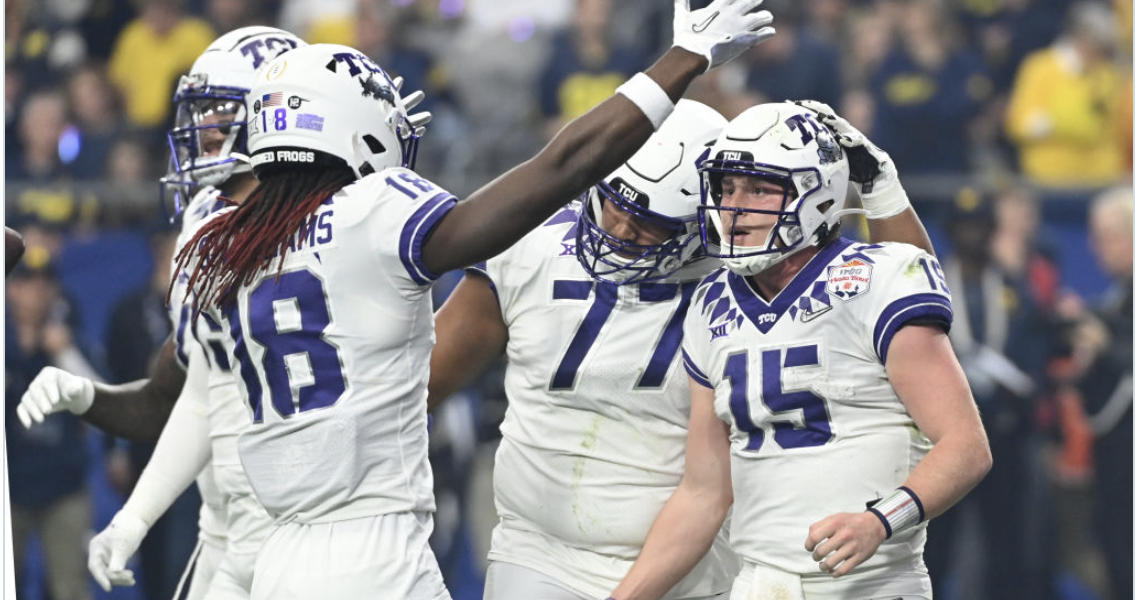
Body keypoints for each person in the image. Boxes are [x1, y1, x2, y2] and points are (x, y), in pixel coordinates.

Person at [167, 4, 776, 597]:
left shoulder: (220, 241)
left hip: (277, 549)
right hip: (372, 555)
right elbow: (559, 168)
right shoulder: (372, 218)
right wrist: (684, 58)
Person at [426, 92, 937, 599]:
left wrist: (881, 191)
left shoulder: (745, 271)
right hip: (539, 551)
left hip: (702, 562)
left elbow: (904, 296)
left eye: (649, 224)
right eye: (613, 205)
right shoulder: (531, 244)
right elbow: (423, 382)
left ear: (704, 222)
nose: (619, 233)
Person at [607, 100, 992, 600]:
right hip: (755, 585)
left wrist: (880, 520)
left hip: (871, 586)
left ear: (819, 196)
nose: (733, 206)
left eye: (759, 188)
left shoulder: (879, 277)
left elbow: (967, 446)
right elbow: (704, 492)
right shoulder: (709, 301)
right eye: (726, 187)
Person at [17, 25, 310, 600]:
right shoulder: (202, 221)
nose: (201, 129)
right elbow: (202, 393)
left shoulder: (340, 225)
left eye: (220, 112)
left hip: (312, 525)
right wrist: (133, 517)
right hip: (226, 525)